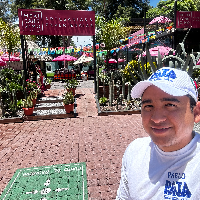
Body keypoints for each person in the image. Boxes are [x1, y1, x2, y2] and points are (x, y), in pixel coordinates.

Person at [116, 67, 200, 200]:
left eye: (170, 105)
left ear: (196, 112)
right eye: (148, 106)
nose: (156, 118)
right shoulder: (134, 152)